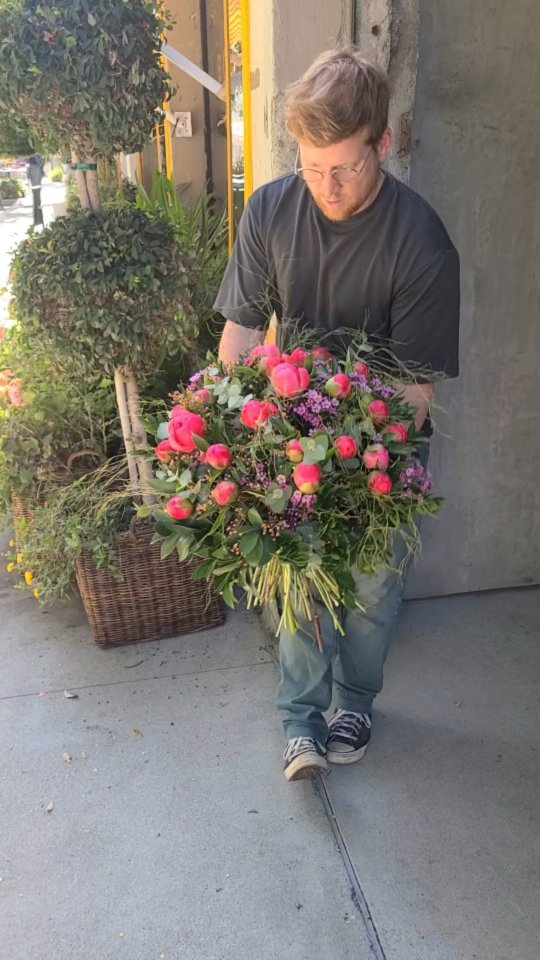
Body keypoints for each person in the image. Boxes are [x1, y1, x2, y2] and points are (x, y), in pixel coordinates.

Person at [214, 48, 460, 781]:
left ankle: (355, 701)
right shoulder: (270, 209)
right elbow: (240, 334)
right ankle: (301, 723)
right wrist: (234, 428)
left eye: (345, 168)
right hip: (289, 434)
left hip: (383, 443)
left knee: (373, 584)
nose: (326, 186)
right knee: (295, 571)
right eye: (311, 166)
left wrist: (349, 459)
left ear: (382, 144)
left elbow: (414, 395)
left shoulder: (420, 241)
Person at [26, 154, 44, 226]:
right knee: (38, 202)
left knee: (35, 203)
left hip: (34, 186)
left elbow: (28, 176)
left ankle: (36, 220)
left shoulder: (29, 167)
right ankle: (40, 220)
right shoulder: (39, 166)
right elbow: (42, 174)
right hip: (38, 186)